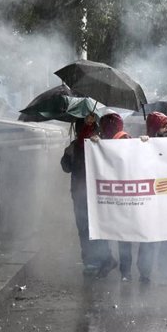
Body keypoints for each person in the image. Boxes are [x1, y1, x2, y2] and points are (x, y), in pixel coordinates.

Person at [92, 112, 154, 282]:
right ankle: (134, 272)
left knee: (132, 236)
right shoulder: (108, 143)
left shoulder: (123, 140)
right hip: (126, 197)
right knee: (127, 236)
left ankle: (137, 272)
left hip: (135, 197)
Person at [61, 114, 116, 278]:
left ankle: (102, 259)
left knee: (94, 228)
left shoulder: (100, 144)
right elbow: (66, 167)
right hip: (81, 193)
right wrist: (71, 151)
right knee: (86, 228)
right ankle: (94, 261)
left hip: (95, 193)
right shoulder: (75, 146)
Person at [139, 112, 167, 281]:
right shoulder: (141, 144)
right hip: (151, 199)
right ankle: (145, 271)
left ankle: (164, 269)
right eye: (163, 125)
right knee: (148, 236)